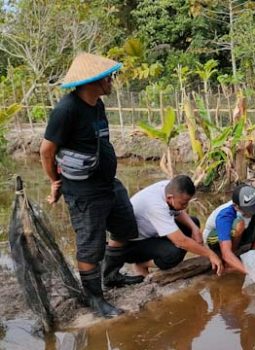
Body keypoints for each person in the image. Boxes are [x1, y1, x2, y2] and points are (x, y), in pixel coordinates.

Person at [40, 53, 142, 318]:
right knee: (90, 246)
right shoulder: (66, 110)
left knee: (125, 227)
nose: (111, 81)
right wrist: (55, 182)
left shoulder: (97, 104)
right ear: (91, 81)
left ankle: (111, 276)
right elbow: (46, 151)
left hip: (108, 183)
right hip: (84, 191)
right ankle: (95, 299)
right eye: (107, 77)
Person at [118, 175, 227, 277]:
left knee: (193, 223)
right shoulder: (156, 205)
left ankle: (165, 258)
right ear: (170, 198)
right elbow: (181, 241)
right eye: (183, 203)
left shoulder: (169, 188)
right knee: (172, 254)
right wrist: (210, 254)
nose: (185, 206)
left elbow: (177, 211)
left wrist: (194, 229)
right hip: (131, 245)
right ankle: (142, 264)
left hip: (151, 233)